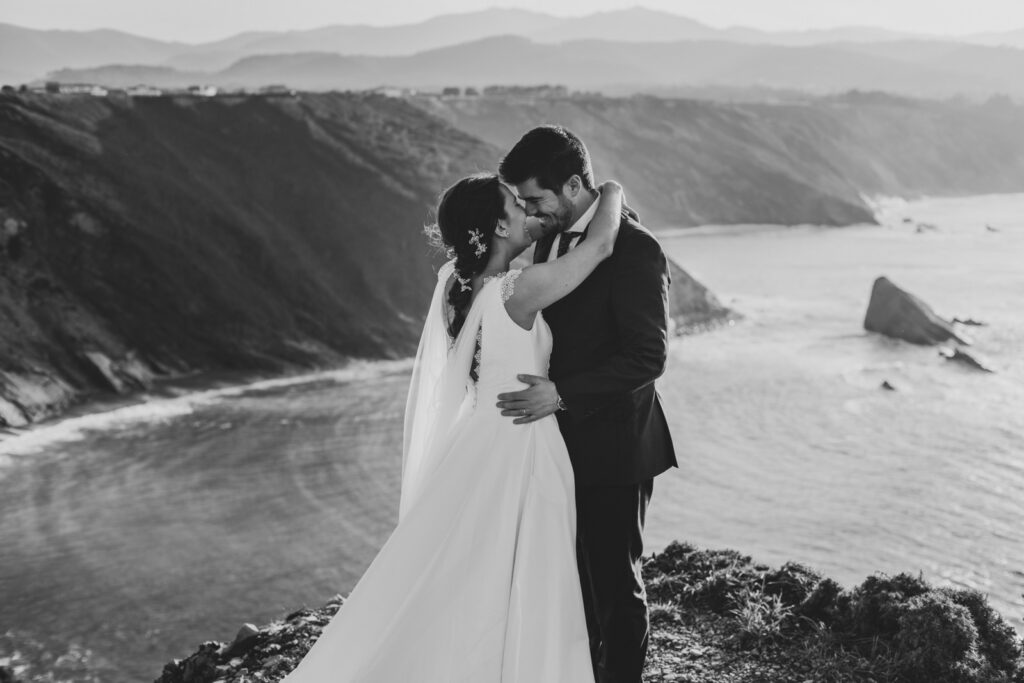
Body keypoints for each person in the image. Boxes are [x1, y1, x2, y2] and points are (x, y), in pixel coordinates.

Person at [280, 173, 625, 682]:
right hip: (520, 445)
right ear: (497, 227)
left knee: (469, 574)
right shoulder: (517, 290)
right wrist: (612, 191)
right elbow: (599, 247)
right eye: (516, 203)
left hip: (478, 439)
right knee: (522, 574)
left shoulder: (454, 286)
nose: (528, 209)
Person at [496, 125, 678, 683]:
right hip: (558, 445)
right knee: (571, 579)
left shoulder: (636, 247)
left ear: (574, 185)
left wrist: (562, 394)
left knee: (615, 587)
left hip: (617, 445)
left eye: (536, 199)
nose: (528, 211)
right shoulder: (549, 240)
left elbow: (649, 356)